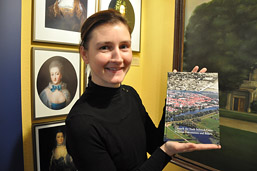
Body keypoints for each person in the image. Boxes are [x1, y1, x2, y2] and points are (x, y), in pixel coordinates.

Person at [65, 9, 221, 171]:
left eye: (124, 46)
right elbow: (162, 150)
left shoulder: (130, 94)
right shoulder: (80, 123)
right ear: (85, 54)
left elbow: (155, 145)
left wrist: (176, 103)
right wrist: (166, 151)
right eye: (105, 47)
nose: (118, 58)